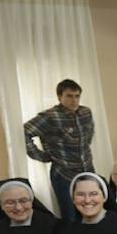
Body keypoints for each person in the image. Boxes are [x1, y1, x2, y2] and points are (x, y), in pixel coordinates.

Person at [24, 79, 94, 221]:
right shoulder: (50, 116)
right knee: (70, 216)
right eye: (69, 96)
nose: (74, 100)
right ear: (59, 97)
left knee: (91, 211)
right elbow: (24, 132)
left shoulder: (85, 112)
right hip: (63, 174)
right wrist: (42, 156)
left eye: (77, 96)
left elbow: (89, 134)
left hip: (87, 170)